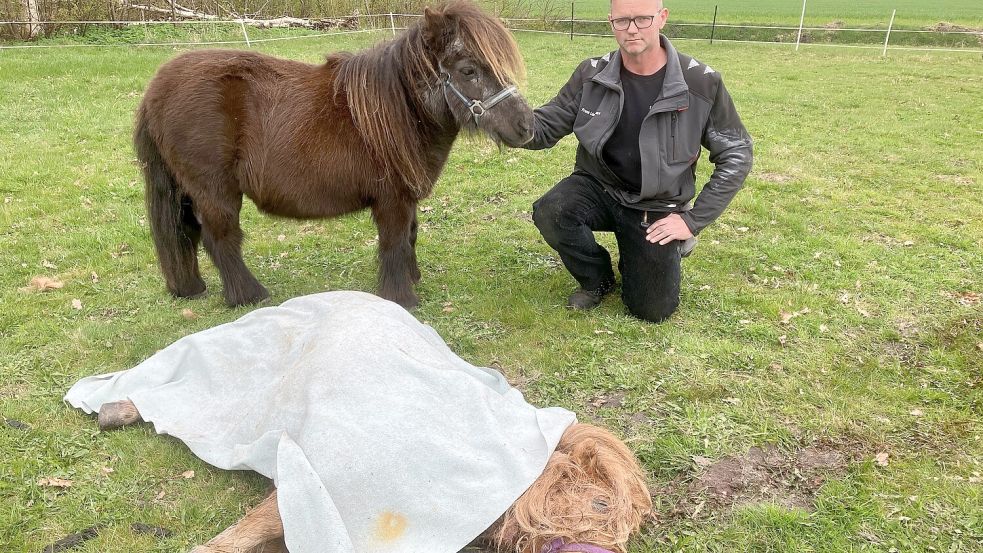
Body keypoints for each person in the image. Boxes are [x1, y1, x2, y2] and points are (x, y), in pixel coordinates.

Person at [522, 0, 753, 322]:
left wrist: (693, 220)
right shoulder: (592, 73)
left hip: (656, 201)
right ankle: (596, 279)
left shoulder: (701, 83)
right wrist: (499, 114)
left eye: (642, 19)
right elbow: (545, 128)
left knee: (652, 310)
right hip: (598, 185)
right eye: (622, 21)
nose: (632, 29)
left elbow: (736, 152)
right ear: (611, 22)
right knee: (552, 210)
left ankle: (665, 247)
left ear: (662, 18)